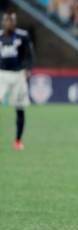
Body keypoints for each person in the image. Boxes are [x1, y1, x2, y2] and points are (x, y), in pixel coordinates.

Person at [0, 13, 34, 151]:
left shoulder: (22, 36)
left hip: (18, 74)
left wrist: (28, 68)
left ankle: (18, 140)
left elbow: (29, 54)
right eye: (6, 21)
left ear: (14, 22)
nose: (8, 23)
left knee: (20, 107)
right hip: (2, 74)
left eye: (10, 21)